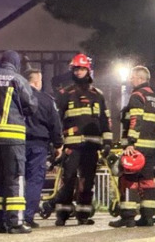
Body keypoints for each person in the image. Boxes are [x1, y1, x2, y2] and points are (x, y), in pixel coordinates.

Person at [42, 54, 113, 226]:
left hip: (91, 146)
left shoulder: (98, 95)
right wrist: (57, 143)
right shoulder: (66, 94)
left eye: (82, 69)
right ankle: (62, 214)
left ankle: (83, 214)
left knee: (87, 181)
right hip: (72, 146)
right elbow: (57, 120)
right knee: (69, 179)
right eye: (76, 69)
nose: (79, 72)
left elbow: (105, 120)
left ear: (88, 70)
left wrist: (108, 142)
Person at [0, 50, 38, 234]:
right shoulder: (17, 79)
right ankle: (15, 222)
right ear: (15, 63)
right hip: (12, 137)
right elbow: (32, 105)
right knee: (14, 178)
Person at [110, 66, 155, 228]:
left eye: (132, 77)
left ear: (140, 79)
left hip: (136, 148)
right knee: (147, 182)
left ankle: (128, 216)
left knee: (129, 181)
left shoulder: (137, 96)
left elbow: (135, 120)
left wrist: (131, 142)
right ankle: (148, 217)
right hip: (151, 148)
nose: (130, 80)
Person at [23, 69, 63, 227]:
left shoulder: (16, 98)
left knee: (16, 179)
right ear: (37, 82)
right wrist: (58, 144)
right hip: (39, 144)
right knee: (34, 180)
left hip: (18, 143)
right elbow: (55, 123)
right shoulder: (46, 100)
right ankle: (27, 216)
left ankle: (12, 215)